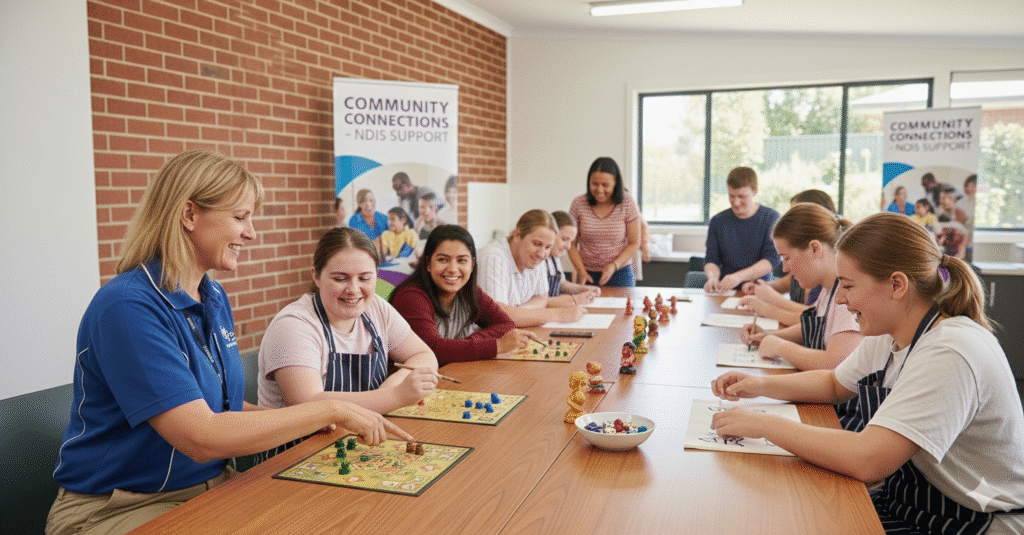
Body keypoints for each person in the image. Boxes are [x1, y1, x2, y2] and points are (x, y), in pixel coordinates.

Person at [46, 150, 411, 535]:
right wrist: (326, 410)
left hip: (213, 486)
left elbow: (223, 409)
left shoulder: (214, 297)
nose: (251, 233)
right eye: (240, 217)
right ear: (189, 215)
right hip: (120, 508)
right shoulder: (128, 306)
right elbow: (201, 436)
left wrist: (311, 421)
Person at [711, 212, 1024, 534]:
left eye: (848, 285)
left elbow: (868, 460)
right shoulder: (892, 332)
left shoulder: (949, 351)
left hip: (972, 521)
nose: (840, 298)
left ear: (897, 285)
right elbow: (833, 383)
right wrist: (758, 384)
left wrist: (764, 424)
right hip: (910, 503)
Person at [257, 227, 437, 458]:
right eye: (340, 278)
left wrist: (391, 388)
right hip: (293, 457)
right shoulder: (293, 325)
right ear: (316, 276)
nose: (353, 290)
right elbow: (310, 406)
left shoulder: (377, 309)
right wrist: (396, 396)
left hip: (355, 446)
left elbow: (424, 356)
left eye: (364, 278)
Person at [389, 225, 537, 365]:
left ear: (472, 265)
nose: (453, 269)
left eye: (462, 260)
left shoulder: (469, 292)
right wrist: (497, 345)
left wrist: (464, 344)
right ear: (428, 263)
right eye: (443, 260)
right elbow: (432, 350)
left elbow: (506, 325)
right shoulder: (410, 297)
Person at [739, 203, 862, 370]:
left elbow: (834, 363)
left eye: (787, 258)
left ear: (815, 249)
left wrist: (780, 347)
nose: (784, 268)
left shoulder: (846, 294)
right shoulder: (828, 289)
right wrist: (767, 336)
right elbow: (813, 328)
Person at [739, 189, 835, 327]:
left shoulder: (832, 283)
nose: (784, 268)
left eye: (795, 216)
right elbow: (814, 318)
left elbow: (815, 319)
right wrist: (764, 289)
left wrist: (770, 303)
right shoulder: (824, 281)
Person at [478, 209, 587, 327]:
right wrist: (559, 314)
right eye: (536, 244)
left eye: (548, 247)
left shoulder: (536, 256)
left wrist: (516, 314)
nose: (542, 254)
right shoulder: (493, 258)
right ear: (517, 235)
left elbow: (542, 299)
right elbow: (497, 316)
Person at [703, 166, 781, 293]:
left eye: (742, 196)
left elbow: (771, 260)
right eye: (731, 196)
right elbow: (712, 259)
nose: (736, 202)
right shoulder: (717, 221)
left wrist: (739, 277)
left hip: (759, 289)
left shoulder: (771, 218)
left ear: (755, 191)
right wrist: (712, 277)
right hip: (725, 290)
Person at [567, 157, 642, 287]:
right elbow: (571, 243)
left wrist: (614, 265)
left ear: (615, 184)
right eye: (595, 184)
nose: (600, 190)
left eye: (605, 185)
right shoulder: (578, 204)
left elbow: (634, 242)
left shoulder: (627, 203)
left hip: (620, 272)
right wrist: (581, 271)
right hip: (587, 273)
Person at [545, 211, 601, 306]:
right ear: (550, 233)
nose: (568, 247)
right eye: (565, 239)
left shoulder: (554, 257)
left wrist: (585, 289)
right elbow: (539, 301)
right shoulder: (538, 261)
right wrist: (575, 299)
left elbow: (562, 284)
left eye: (571, 241)